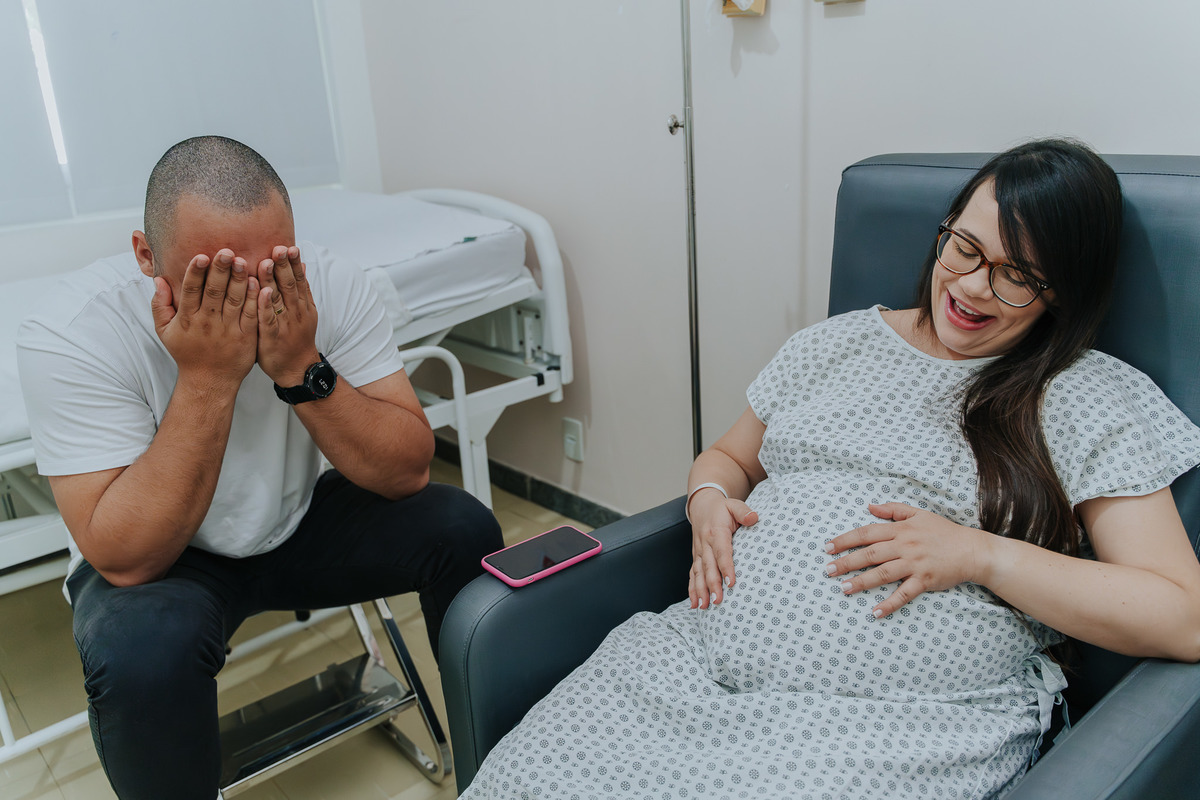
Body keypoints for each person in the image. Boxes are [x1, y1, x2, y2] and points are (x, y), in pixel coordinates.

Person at [461, 139, 1200, 799]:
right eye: (965, 249)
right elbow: (726, 456)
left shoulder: (1082, 395)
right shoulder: (832, 346)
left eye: (1016, 276)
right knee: (524, 780)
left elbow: (1183, 614)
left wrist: (979, 553)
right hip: (686, 669)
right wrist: (709, 499)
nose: (973, 287)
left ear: (1062, 292)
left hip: (891, 728)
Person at [15, 136, 503, 800]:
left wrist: (304, 369)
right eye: (214, 277)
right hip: (167, 553)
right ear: (145, 256)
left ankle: (507, 770)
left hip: (297, 517)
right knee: (141, 657)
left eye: (270, 268)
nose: (248, 297)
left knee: (460, 525)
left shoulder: (330, 283)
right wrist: (209, 378)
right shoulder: (71, 331)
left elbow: (406, 471)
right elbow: (125, 557)